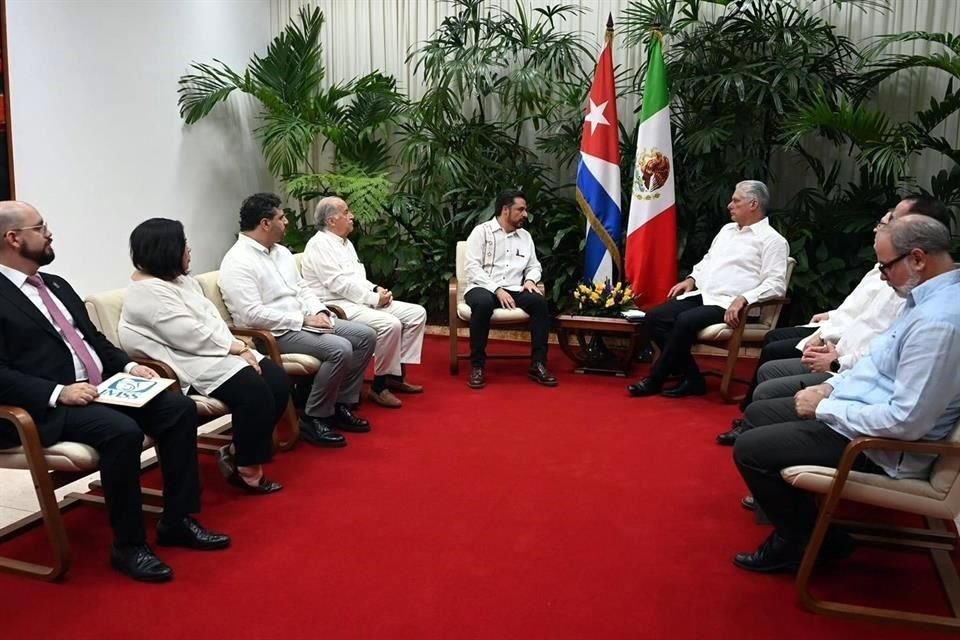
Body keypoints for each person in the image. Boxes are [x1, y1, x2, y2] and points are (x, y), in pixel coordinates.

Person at [0, 201, 229, 583]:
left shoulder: (55, 284)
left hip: (102, 388)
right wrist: (59, 392)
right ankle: (128, 545)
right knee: (121, 432)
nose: (50, 233)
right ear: (14, 238)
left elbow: (95, 340)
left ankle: (177, 519)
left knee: (178, 409)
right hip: (42, 406)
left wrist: (126, 365)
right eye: (41, 228)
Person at [732, 214, 960, 573]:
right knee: (760, 414)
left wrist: (824, 408)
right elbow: (876, 366)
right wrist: (831, 385)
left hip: (882, 447)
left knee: (750, 450)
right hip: (861, 414)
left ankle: (804, 543)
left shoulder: (939, 323)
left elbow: (906, 421)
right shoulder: (925, 300)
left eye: (885, 268)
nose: (882, 278)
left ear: (917, 258)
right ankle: (806, 527)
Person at [716, 195, 950, 445]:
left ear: (919, 250)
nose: (881, 228)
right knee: (765, 394)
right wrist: (833, 379)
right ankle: (757, 426)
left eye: (892, 223)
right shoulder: (915, 291)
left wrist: (833, 379)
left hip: (867, 429)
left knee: (755, 435)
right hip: (851, 378)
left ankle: (758, 429)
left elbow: (905, 418)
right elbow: (869, 337)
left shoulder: (932, 314)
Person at [119, 218, 287, 494]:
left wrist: (239, 347)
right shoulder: (146, 292)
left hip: (214, 350)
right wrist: (238, 349)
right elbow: (190, 335)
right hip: (184, 361)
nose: (189, 250)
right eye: (183, 245)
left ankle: (236, 450)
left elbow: (212, 320)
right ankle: (246, 468)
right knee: (255, 391)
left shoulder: (181, 281)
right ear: (166, 250)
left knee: (277, 381)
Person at [218, 193, 375, 446]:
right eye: (282, 217)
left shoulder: (280, 252)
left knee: (365, 335)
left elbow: (302, 288)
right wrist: (303, 319)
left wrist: (320, 312)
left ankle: (340, 404)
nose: (287, 222)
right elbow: (251, 315)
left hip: (302, 322)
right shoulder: (237, 261)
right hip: (273, 334)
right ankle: (313, 418)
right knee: (340, 348)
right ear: (265, 223)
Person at [627, 180, 789, 398]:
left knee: (684, 321)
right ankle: (693, 378)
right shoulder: (727, 230)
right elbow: (708, 260)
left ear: (753, 204)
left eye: (735, 200)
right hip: (705, 295)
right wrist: (692, 279)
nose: (729, 205)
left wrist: (744, 298)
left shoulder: (772, 241)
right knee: (654, 317)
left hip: (732, 306)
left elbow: (776, 284)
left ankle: (655, 380)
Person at [301, 197, 426, 408]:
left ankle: (394, 374)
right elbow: (338, 284)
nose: (352, 216)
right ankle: (379, 386)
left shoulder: (345, 242)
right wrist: (374, 299)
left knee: (417, 313)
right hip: (337, 305)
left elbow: (357, 278)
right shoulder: (319, 245)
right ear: (331, 221)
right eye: (347, 212)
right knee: (389, 324)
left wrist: (375, 288)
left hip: (360, 300)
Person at [463, 189, 557, 389]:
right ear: (505, 210)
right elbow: (472, 268)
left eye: (525, 210)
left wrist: (531, 280)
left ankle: (538, 364)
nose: (525, 214)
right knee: (483, 303)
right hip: (482, 286)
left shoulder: (525, 237)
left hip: (515, 287)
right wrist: (496, 289)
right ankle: (477, 366)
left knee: (539, 302)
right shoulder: (481, 232)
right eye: (520, 210)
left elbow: (534, 265)